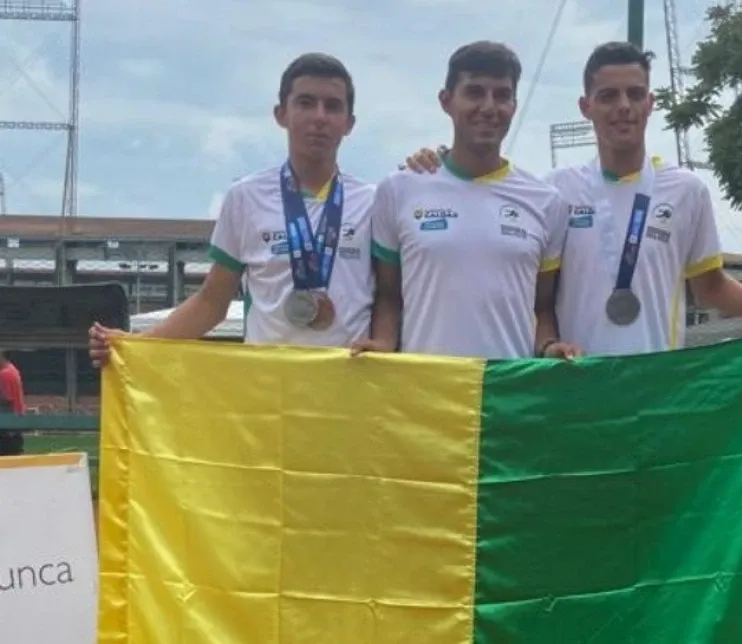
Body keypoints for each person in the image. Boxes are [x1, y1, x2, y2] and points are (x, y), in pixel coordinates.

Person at [402, 41, 742, 356]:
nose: (623, 107)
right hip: (572, 385)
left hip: (651, 387)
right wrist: (435, 163)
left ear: (651, 103)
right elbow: (536, 294)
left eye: (635, 94)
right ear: (585, 106)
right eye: (608, 96)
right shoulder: (553, 191)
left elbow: (712, 290)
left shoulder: (686, 191)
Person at [89, 53, 375, 366]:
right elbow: (212, 303)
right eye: (305, 103)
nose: (320, 117)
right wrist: (135, 346)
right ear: (281, 114)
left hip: (350, 391)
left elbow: (393, 298)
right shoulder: (246, 197)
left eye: (332, 106)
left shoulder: (374, 201)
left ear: (349, 123)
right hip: (270, 389)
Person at [350, 41, 577, 360]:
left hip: (507, 394)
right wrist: (384, 343)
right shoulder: (398, 189)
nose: (488, 107)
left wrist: (548, 346)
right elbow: (388, 296)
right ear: (446, 101)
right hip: (425, 392)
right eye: (474, 92)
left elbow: (542, 307)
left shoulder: (546, 202)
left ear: (514, 104)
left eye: (501, 95)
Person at [0, 352, 26, 456]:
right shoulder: (14, 370)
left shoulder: (4, 374)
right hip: (15, 428)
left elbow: (6, 400)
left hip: (6, 432)